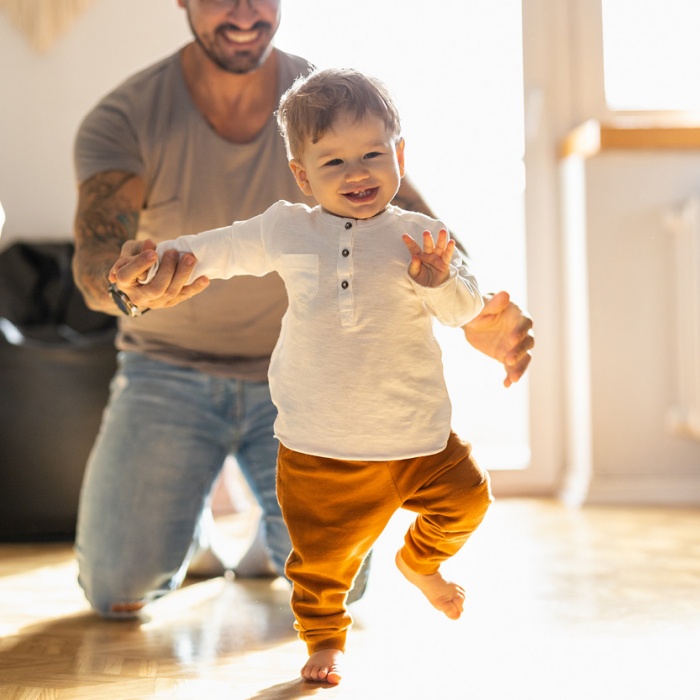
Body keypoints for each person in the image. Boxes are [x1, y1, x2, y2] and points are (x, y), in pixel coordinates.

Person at [71, 0, 533, 621]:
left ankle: (269, 539)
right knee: (117, 591)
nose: (240, 10)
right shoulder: (125, 117)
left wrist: (473, 310)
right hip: (167, 372)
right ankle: (193, 528)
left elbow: (419, 231)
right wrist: (128, 286)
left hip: (317, 391)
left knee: (344, 585)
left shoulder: (328, 106)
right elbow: (95, 264)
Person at [116, 66, 494, 685]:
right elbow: (220, 248)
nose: (358, 173)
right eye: (334, 162)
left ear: (400, 154)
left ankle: (421, 563)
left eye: (373, 154)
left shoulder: (423, 237)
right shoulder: (288, 228)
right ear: (302, 174)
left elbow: (465, 312)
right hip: (319, 445)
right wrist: (160, 257)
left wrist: (441, 283)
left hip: (419, 440)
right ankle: (324, 642)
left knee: (469, 500)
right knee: (320, 563)